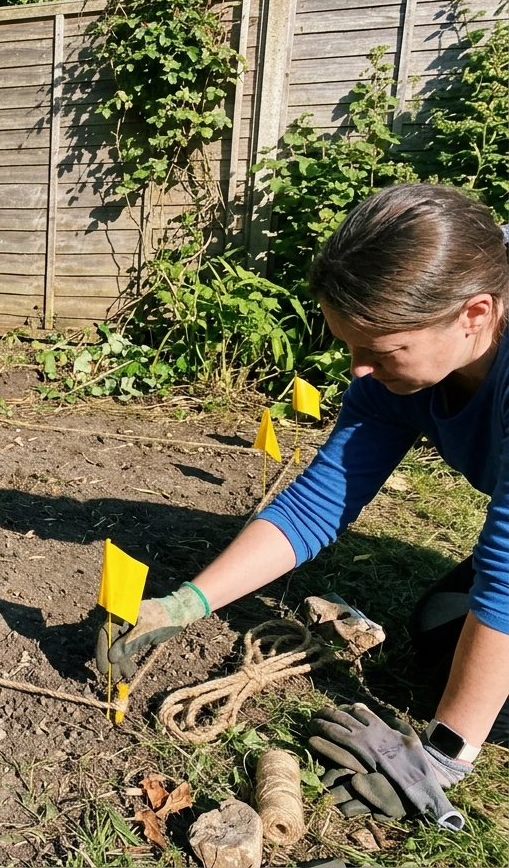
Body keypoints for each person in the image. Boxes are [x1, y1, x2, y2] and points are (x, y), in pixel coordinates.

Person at [104, 182, 509, 824]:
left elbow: (506, 579)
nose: (357, 369)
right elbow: (317, 504)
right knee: (440, 630)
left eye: (381, 350)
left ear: (475, 314)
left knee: (488, 697)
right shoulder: (390, 374)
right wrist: (185, 604)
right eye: (351, 345)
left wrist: (443, 759)